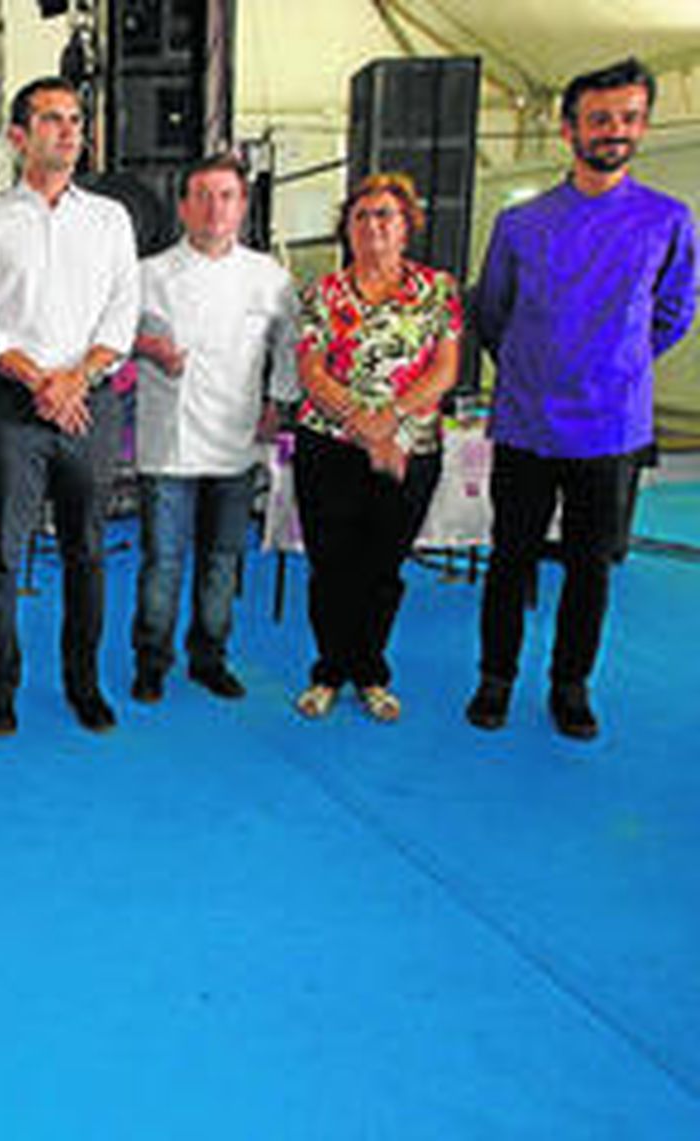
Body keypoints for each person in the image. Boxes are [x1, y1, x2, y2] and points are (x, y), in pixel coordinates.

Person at [465, 57, 696, 740]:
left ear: (643, 125)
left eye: (628, 118)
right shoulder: (521, 224)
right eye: (600, 119)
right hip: (527, 423)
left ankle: (571, 685)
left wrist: (617, 364)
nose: (614, 130)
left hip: (613, 430)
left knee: (590, 569)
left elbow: (674, 311)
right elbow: (493, 312)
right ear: (570, 130)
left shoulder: (668, 219)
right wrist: (537, 368)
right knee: (510, 558)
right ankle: (495, 678)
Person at [0, 76, 140, 735]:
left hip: (89, 404)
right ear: (18, 136)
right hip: (12, 404)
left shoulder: (110, 219)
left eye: (75, 119)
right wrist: (41, 380)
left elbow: (123, 311)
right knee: (4, 553)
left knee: (86, 550)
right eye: (52, 119)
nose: (69, 130)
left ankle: (83, 682)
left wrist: (76, 379)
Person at [291, 173, 463, 723]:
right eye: (361, 216)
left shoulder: (437, 291)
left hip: (408, 450)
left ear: (407, 225)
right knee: (330, 565)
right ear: (347, 227)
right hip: (330, 446)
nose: (372, 227)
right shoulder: (323, 292)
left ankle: (370, 673)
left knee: (382, 566)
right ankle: (328, 672)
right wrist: (363, 423)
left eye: (385, 215)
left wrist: (389, 419)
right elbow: (311, 370)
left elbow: (445, 368)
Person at [130, 152, 300, 704]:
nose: (214, 207)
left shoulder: (268, 276)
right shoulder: (149, 275)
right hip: (170, 442)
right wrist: (147, 346)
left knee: (223, 559)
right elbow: (109, 333)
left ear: (243, 206)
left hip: (238, 434)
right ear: (183, 207)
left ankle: (210, 655)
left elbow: (291, 346)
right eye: (202, 195)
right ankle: (152, 659)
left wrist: (278, 401)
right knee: (163, 561)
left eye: (226, 196)